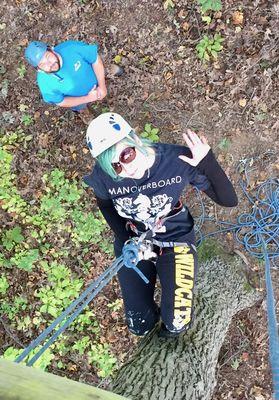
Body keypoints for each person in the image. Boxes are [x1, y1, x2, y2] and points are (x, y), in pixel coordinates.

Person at [84, 112, 238, 338]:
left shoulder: (176, 161)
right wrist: (129, 241)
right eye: (115, 166)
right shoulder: (103, 176)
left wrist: (207, 161)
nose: (126, 169)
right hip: (134, 240)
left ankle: (167, 334)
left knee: (177, 324)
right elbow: (106, 205)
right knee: (139, 326)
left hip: (175, 238)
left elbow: (228, 200)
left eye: (126, 155)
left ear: (135, 139)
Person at [24, 40, 107, 121]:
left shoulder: (71, 48)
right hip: (79, 100)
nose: (49, 64)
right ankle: (84, 112)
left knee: (102, 70)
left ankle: (107, 73)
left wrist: (102, 86)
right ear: (39, 69)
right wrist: (88, 98)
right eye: (42, 64)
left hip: (97, 80)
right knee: (80, 107)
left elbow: (95, 59)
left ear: (52, 50)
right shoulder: (44, 83)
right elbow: (61, 101)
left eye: (48, 57)